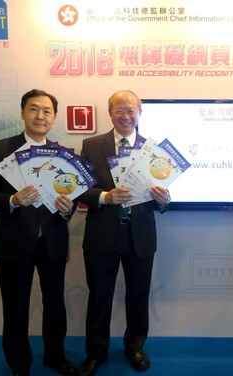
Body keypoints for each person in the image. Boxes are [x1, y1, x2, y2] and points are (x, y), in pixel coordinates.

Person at [0, 89, 77, 376]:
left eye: (46, 111)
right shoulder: (1, 148)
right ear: (22, 113)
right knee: (16, 307)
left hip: (53, 241)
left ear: (54, 117)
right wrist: (12, 200)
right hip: (13, 242)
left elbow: (70, 201)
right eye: (34, 109)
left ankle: (55, 356)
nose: (40, 116)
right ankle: (19, 363)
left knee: (55, 304)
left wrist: (68, 208)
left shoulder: (63, 155)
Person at [76, 90, 171, 376]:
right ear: (110, 113)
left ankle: (135, 347)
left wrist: (164, 200)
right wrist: (106, 197)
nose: (125, 115)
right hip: (102, 235)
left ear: (139, 113)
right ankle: (95, 353)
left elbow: (161, 194)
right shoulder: (92, 145)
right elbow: (80, 187)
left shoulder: (153, 149)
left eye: (131, 110)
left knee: (138, 295)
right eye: (120, 110)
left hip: (140, 235)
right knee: (99, 296)